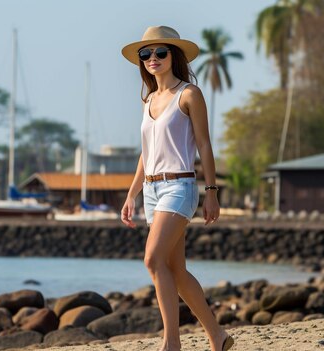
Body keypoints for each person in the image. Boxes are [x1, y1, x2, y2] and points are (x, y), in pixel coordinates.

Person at [120, 26, 234, 351]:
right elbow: (147, 153)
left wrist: (212, 191)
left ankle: (171, 342)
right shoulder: (149, 100)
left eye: (160, 52)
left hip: (180, 186)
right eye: (146, 54)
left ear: (174, 56)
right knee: (176, 270)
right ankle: (219, 337)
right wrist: (132, 194)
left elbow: (205, 144)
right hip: (152, 192)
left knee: (153, 260)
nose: (152, 59)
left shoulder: (189, 94)